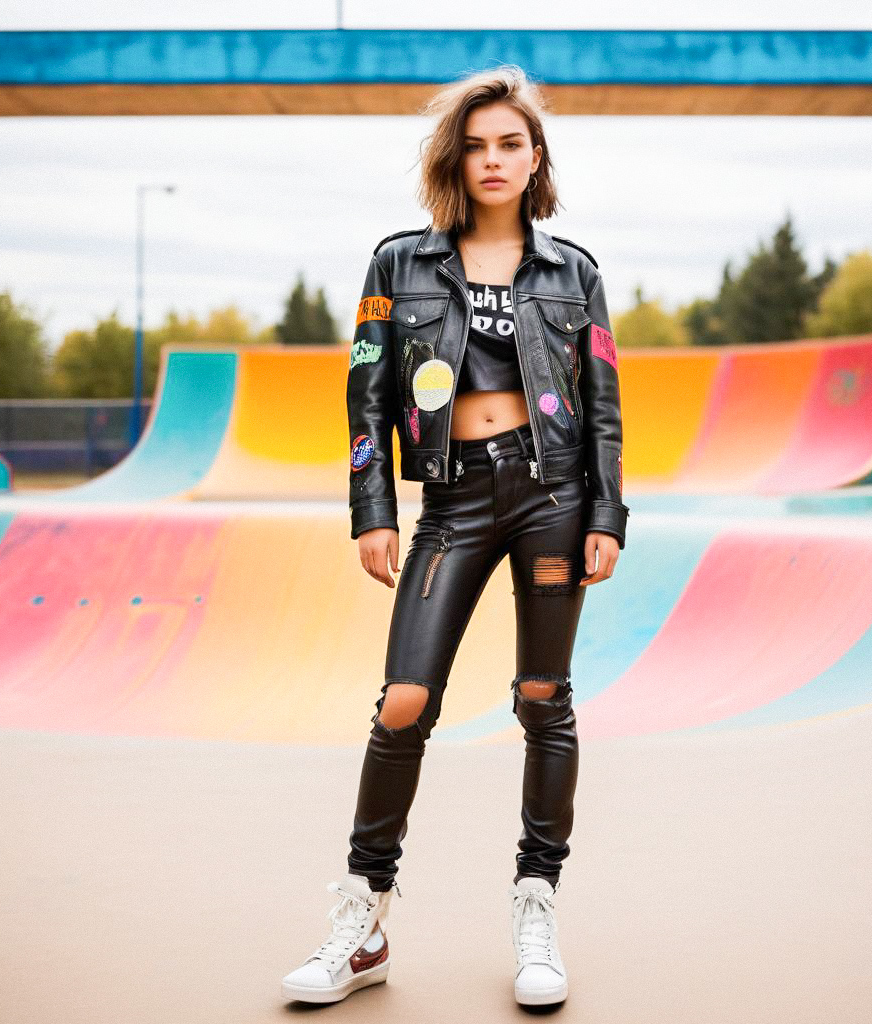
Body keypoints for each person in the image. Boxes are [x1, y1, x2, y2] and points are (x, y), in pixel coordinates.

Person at [282, 64, 629, 1009]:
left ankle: (536, 905)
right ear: (454, 157)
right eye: (475, 144)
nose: (492, 158)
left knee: (541, 695)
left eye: (510, 142)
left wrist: (607, 513)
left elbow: (602, 406)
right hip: (452, 502)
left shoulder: (576, 274)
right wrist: (373, 511)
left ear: (535, 156)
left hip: (555, 496)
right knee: (403, 700)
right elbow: (367, 396)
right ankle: (363, 921)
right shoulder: (398, 265)